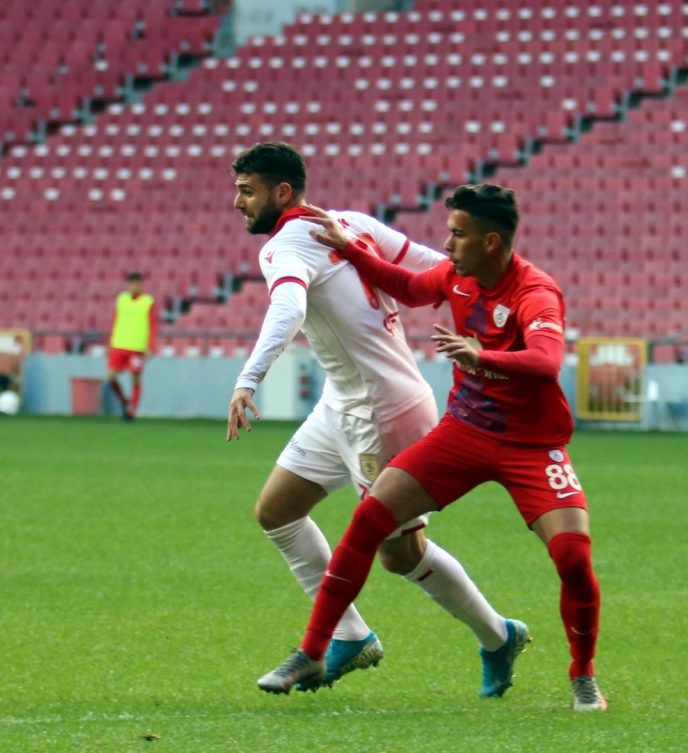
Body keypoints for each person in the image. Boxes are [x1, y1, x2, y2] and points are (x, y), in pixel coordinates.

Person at [258, 184, 607, 712]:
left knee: (573, 557)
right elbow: (408, 286)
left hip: (531, 445)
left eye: (458, 234)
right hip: (463, 433)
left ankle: (582, 675)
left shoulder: (536, 291)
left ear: (491, 242)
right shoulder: (455, 276)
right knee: (369, 519)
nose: (446, 244)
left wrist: (481, 356)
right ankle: (313, 650)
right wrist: (351, 249)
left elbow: (545, 361)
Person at [227, 142, 524, 697]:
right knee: (278, 511)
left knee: (399, 553)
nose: (238, 202)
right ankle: (349, 635)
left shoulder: (284, 247)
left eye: (247, 191)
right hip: (342, 401)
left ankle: (497, 635)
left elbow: (289, 308)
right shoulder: (351, 223)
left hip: (381, 411)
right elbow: (437, 267)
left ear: (282, 192)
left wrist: (248, 380)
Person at [106, 272, 156, 420]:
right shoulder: (122, 299)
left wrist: (150, 345)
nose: (135, 287)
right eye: (132, 284)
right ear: (128, 285)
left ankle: (132, 410)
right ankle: (123, 400)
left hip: (137, 347)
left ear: (141, 285)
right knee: (111, 377)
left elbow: (153, 325)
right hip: (119, 344)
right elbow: (115, 320)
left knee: (135, 378)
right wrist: (110, 342)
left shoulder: (148, 302)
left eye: (137, 284)